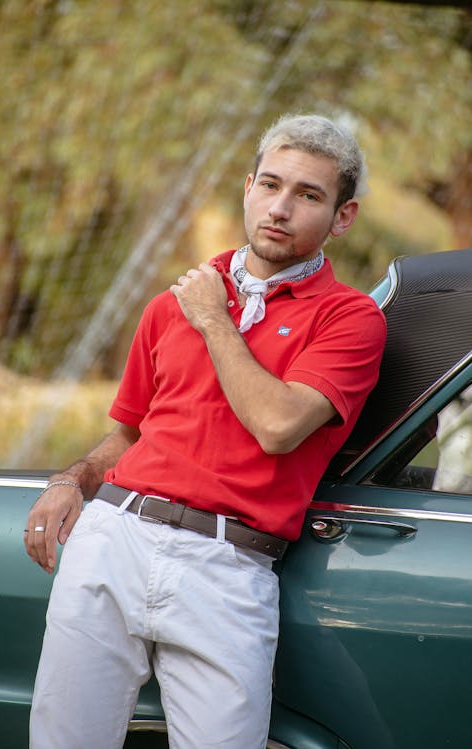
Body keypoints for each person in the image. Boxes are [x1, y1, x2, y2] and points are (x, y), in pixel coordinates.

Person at [25, 114, 386, 749]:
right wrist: (70, 481)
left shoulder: (349, 318)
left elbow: (278, 427)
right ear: (247, 186)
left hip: (230, 567)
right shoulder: (173, 304)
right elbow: (129, 436)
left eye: (308, 195)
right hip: (115, 538)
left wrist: (214, 320)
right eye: (270, 185)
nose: (280, 208)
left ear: (343, 216)